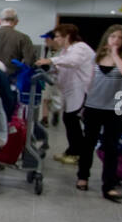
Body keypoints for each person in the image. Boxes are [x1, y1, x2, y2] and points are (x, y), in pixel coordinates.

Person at [75, 24, 122, 202]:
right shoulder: (97, 57)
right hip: (95, 103)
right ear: (107, 38)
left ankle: (108, 185)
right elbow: (88, 81)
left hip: (118, 104)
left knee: (111, 146)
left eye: (119, 37)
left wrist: (116, 55)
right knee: (88, 143)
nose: (116, 40)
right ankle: (82, 176)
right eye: (113, 37)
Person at [36, 23, 94, 165]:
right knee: (69, 120)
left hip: (82, 91)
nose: (55, 39)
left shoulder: (80, 48)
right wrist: (50, 70)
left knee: (72, 121)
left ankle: (76, 153)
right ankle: (72, 150)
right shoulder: (65, 51)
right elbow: (62, 67)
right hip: (71, 92)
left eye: (57, 36)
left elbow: (72, 62)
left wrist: (50, 60)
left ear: (67, 36)